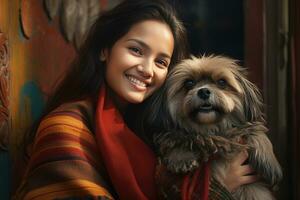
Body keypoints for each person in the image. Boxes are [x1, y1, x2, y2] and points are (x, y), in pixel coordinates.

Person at [13, 0, 258, 199]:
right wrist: (216, 190)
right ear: (105, 49)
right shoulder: (66, 129)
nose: (147, 69)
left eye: (161, 62)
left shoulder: (151, 134)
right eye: (136, 50)